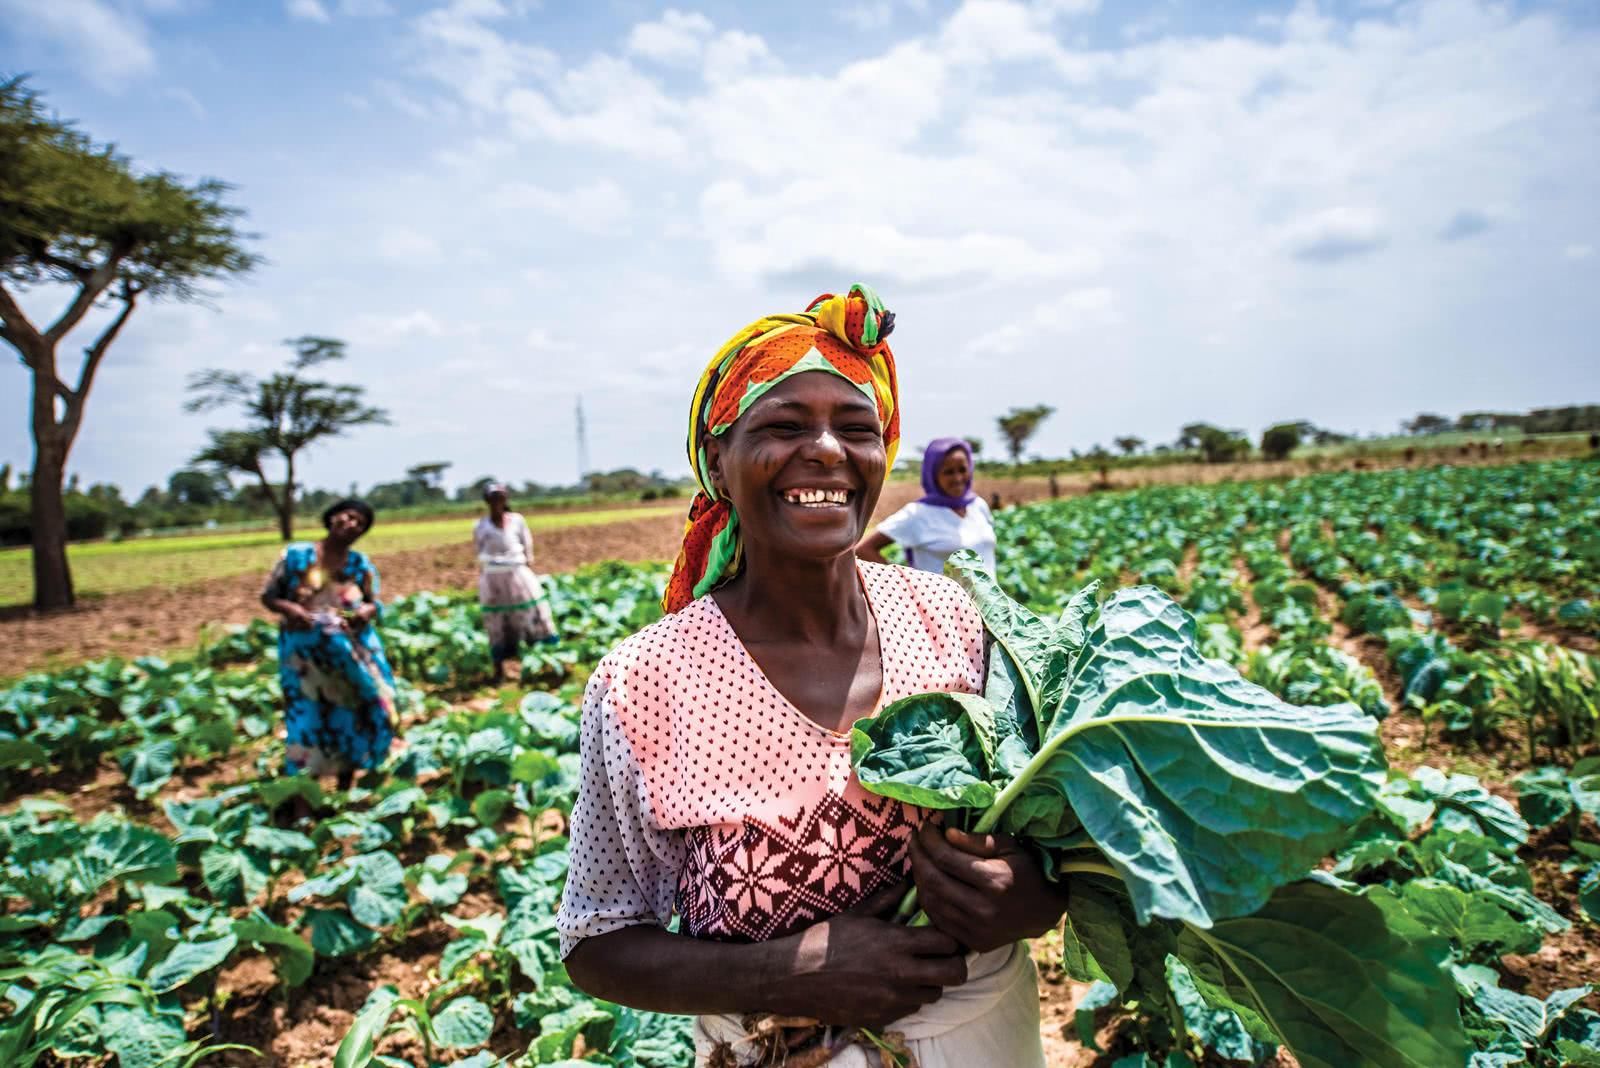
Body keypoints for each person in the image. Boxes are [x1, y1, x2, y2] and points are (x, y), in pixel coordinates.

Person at [557, 285, 1062, 1067]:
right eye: (784, 426)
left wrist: (1036, 893)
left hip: (985, 1038)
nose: (827, 449)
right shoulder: (644, 681)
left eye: (857, 428)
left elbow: (1048, 826)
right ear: (718, 463)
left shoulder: (952, 620)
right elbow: (597, 941)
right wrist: (783, 973)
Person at [260, 499, 397, 790]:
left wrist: (363, 613)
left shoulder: (359, 565)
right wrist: (292, 610)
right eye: (348, 517)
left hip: (350, 652)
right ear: (332, 517)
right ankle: (304, 791)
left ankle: (344, 785)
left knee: (354, 711)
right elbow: (269, 596)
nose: (352, 525)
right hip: (304, 657)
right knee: (309, 716)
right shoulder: (297, 556)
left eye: (360, 523)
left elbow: (374, 603)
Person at [856, 437, 996, 576]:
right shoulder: (917, 513)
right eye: (948, 472)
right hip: (941, 598)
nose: (958, 478)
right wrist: (904, 584)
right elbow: (863, 549)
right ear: (933, 475)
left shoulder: (978, 505)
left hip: (988, 598)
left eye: (962, 469)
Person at [474, 482, 556, 681]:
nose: (496, 502)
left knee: (531, 614)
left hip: (517, 573)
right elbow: (479, 552)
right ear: (487, 501)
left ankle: (540, 665)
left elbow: (527, 545)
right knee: (496, 621)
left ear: (505, 500)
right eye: (492, 498)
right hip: (493, 577)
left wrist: (527, 564)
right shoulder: (481, 526)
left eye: (500, 498)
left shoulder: (517, 520)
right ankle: (499, 669)